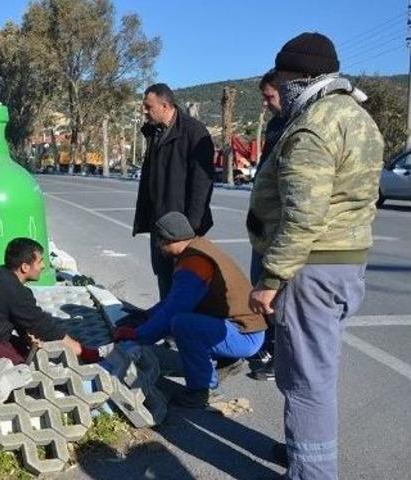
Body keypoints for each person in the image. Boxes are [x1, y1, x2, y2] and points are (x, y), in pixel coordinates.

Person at [247, 32, 383, 479]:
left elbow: (303, 217)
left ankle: (312, 472)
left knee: (307, 383)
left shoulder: (313, 125)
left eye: (282, 80)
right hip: (344, 263)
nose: (277, 93)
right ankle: (300, 453)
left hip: (312, 269)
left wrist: (270, 281)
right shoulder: (358, 116)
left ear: (299, 78)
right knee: (312, 372)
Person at [0, 237, 127, 403]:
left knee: (22, 353)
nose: (43, 266)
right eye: (39, 262)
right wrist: (84, 352)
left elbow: (25, 321)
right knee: (12, 367)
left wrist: (28, 339)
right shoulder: (12, 290)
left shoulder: (3, 277)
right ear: (25, 266)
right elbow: (44, 326)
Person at [116, 212, 266, 408]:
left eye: (159, 242)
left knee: (183, 324)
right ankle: (223, 362)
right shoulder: (198, 247)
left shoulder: (194, 263)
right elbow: (173, 301)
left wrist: (137, 335)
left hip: (244, 335)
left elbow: (172, 311)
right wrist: (146, 316)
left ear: (168, 239)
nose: (158, 247)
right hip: (242, 328)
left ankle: (203, 390)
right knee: (186, 320)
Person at [133, 83, 215, 299]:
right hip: (159, 224)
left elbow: (202, 184)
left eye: (148, 107)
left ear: (165, 105)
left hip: (182, 228)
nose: (144, 111)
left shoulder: (194, 133)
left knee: (185, 283)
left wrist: (191, 229)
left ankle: (180, 329)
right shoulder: (153, 133)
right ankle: (166, 326)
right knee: (164, 277)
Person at [248, 69, 287, 381]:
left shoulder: (298, 128)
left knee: (275, 299)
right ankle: (269, 346)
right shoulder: (276, 125)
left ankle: (281, 357)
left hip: (279, 231)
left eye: (269, 96)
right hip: (261, 229)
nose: (265, 104)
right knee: (259, 288)